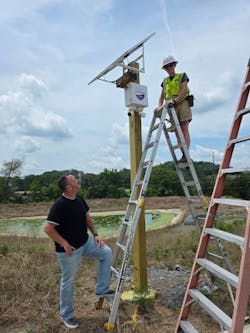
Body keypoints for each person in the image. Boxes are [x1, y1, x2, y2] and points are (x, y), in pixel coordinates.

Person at [44, 174, 113, 329]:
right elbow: (48, 228)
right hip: (69, 251)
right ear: (69, 187)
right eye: (74, 180)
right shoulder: (59, 205)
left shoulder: (79, 199)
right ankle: (66, 315)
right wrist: (64, 243)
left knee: (106, 253)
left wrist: (95, 235)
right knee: (68, 281)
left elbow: (87, 217)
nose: (77, 181)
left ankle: (102, 289)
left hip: (86, 242)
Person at [155, 55, 193, 162]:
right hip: (170, 107)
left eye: (171, 65)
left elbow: (184, 90)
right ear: (165, 69)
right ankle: (183, 154)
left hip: (182, 103)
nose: (169, 68)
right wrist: (159, 108)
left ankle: (186, 154)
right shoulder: (165, 81)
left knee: (184, 127)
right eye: (167, 66)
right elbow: (161, 96)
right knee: (176, 131)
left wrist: (175, 100)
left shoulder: (182, 76)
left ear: (174, 65)